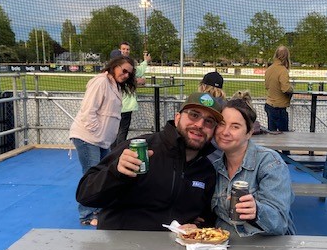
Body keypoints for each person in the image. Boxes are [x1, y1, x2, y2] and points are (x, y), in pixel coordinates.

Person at [76, 92, 224, 230]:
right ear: (178, 117)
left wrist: (198, 228)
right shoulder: (140, 148)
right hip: (122, 248)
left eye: (209, 121)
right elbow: (85, 195)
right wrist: (116, 172)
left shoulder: (206, 171)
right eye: (194, 115)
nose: (199, 125)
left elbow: (205, 217)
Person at [212, 95, 296, 236]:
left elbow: (280, 223)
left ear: (249, 133)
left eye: (235, 126)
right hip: (225, 246)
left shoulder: (270, 163)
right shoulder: (214, 167)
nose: (225, 132)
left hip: (266, 248)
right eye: (221, 123)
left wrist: (256, 211)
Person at [69, 57, 135, 225]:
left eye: (129, 73)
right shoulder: (100, 82)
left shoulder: (114, 85)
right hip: (88, 137)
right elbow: (88, 110)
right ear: (114, 66)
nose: (126, 75)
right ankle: (86, 215)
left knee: (103, 174)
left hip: (101, 140)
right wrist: (97, 132)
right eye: (124, 70)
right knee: (91, 175)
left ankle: (97, 209)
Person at [112, 41, 152, 146]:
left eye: (127, 49)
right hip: (121, 104)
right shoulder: (118, 65)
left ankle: (114, 153)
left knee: (120, 131)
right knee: (119, 131)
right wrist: (137, 80)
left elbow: (137, 71)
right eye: (123, 49)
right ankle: (116, 153)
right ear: (119, 50)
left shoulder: (127, 64)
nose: (125, 51)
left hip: (125, 105)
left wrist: (145, 61)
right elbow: (127, 78)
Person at [264, 45, 293, 132]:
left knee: (271, 134)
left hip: (269, 105)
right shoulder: (283, 70)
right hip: (279, 109)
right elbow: (286, 89)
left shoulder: (269, 69)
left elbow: (266, 86)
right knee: (283, 137)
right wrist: (292, 89)